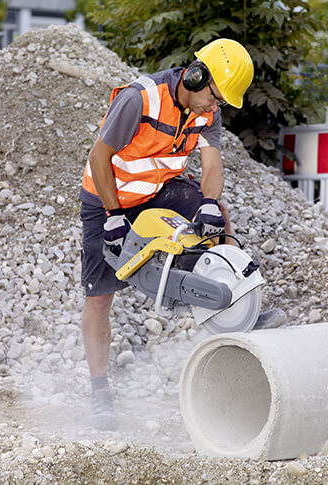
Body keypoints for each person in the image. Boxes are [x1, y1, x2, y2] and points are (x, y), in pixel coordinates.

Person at [79, 38, 254, 429]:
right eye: (215, 97)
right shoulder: (140, 99)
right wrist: (112, 215)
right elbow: (98, 156)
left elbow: (212, 165)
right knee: (100, 296)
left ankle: (240, 308)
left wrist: (208, 202)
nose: (216, 106)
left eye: (222, 102)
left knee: (217, 216)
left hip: (160, 189)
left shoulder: (207, 112)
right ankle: (100, 392)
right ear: (196, 76)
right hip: (109, 196)